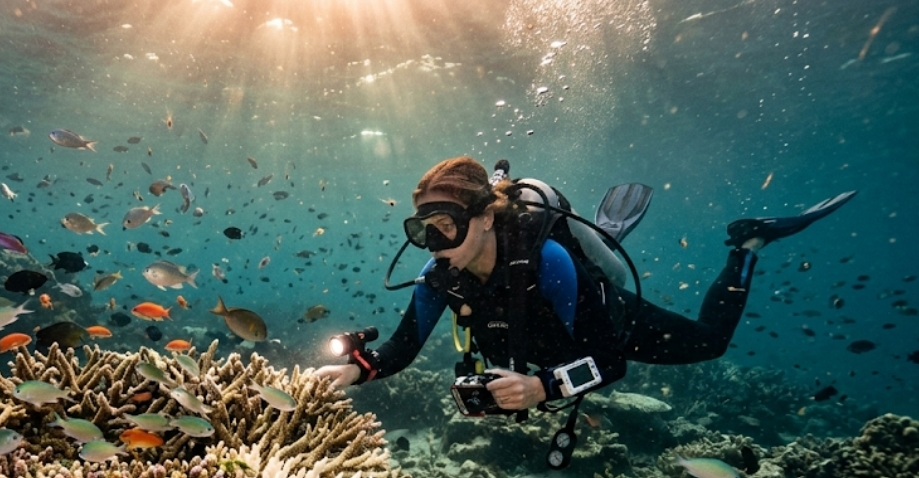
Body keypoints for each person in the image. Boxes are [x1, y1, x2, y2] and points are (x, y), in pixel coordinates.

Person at [316, 156, 855, 416]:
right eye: (421, 229)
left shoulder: (545, 259)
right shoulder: (440, 278)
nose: (432, 243)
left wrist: (542, 388)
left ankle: (747, 246)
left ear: (483, 218)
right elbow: (400, 349)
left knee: (711, 342)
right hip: (546, 352)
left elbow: (610, 360)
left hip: (604, 325)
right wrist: (354, 370)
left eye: (444, 225)